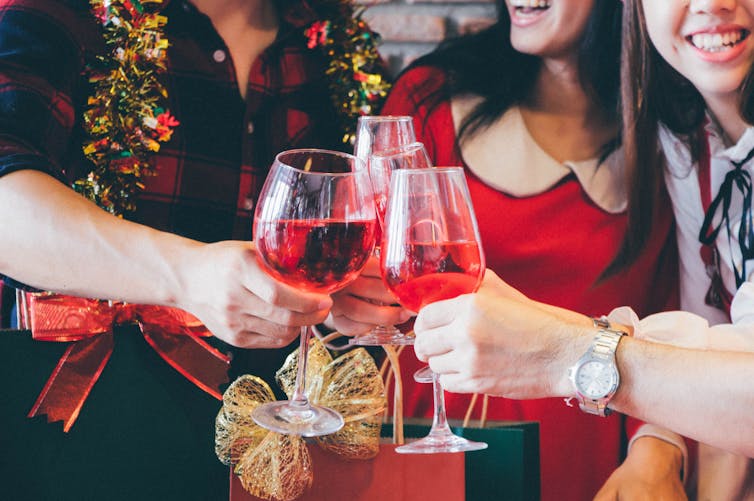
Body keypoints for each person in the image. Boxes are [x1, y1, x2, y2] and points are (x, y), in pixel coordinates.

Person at [0, 0, 388, 499]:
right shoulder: (68, 14)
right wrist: (188, 275)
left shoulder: (334, 46)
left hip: (272, 450)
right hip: (77, 423)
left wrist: (350, 299)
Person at [330, 0, 690, 500]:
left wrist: (659, 450)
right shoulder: (431, 98)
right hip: (436, 445)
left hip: (596, 464)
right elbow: (370, 287)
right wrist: (348, 301)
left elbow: (677, 321)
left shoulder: (672, 132)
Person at [412, 0, 754, 498]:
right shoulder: (685, 143)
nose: (709, 3)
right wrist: (661, 439)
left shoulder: (653, 145)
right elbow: (708, 331)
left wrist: (567, 353)